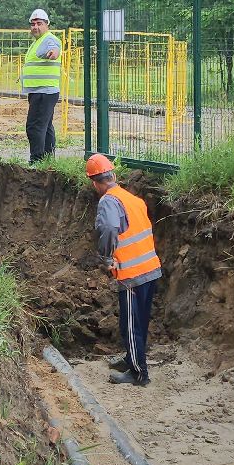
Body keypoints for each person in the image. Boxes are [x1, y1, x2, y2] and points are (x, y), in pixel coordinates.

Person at [86, 153, 160, 386]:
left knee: (129, 325)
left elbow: (109, 228)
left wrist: (107, 258)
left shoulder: (108, 200)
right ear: (114, 176)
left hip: (132, 276)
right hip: (151, 269)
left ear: (95, 183)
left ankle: (139, 373)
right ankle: (132, 359)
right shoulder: (131, 199)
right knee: (140, 323)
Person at [22, 8, 62, 163]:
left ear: (47, 25)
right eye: (33, 24)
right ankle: (48, 160)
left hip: (44, 92)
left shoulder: (48, 39)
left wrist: (54, 52)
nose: (35, 27)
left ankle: (37, 161)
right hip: (42, 91)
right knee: (46, 126)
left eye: (39, 23)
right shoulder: (37, 42)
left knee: (34, 127)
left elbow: (55, 47)